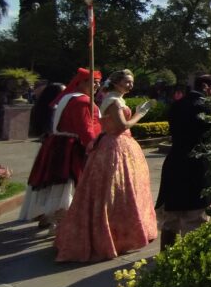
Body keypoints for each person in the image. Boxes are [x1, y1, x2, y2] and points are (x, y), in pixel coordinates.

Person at [55, 69, 157, 261]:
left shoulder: (115, 98)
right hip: (114, 146)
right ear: (116, 83)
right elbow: (122, 126)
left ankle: (123, 233)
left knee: (121, 191)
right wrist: (140, 114)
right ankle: (110, 236)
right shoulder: (113, 100)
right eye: (127, 82)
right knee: (113, 191)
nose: (130, 85)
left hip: (119, 145)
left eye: (132, 82)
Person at [19, 69, 102, 233]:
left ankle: (47, 217)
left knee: (54, 182)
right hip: (72, 146)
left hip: (56, 143)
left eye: (98, 83)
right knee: (66, 184)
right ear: (81, 82)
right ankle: (59, 221)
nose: (97, 86)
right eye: (93, 82)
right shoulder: (83, 102)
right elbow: (85, 129)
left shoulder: (67, 97)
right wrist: (95, 146)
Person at [157, 74, 211, 250]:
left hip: (175, 161)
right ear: (207, 88)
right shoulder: (208, 108)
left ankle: (166, 257)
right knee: (195, 217)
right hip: (198, 165)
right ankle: (190, 258)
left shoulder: (177, 105)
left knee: (171, 217)